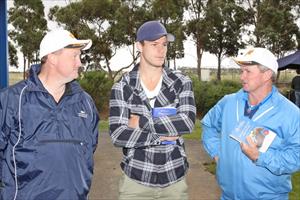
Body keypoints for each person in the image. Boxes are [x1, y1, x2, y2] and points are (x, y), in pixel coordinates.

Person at [0, 29, 99, 200]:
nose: (80, 63)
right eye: (74, 56)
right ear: (52, 57)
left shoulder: (85, 102)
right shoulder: (12, 99)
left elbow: (89, 150)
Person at [109, 20, 196, 200]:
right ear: (139, 46)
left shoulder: (180, 82)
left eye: (164, 44)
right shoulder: (122, 87)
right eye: (154, 44)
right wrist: (162, 137)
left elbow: (187, 122)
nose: (161, 50)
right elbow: (118, 134)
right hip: (136, 180)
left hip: (174, 179)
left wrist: (142, 122)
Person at [201, 47, 300, 200]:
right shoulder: (228, 102)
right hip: (228, 195)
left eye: (248, 71)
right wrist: (217, 153)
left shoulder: (291, 113)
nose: (242, 77)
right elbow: (208, 125)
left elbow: (296, 156)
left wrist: (259, 156)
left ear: (267, 74)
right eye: (241, 71)